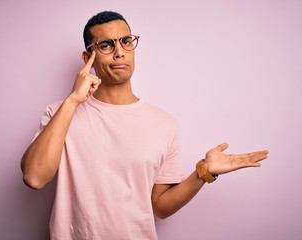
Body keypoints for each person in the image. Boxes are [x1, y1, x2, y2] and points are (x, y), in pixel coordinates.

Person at [21, 11, 269, 240]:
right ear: (88, 57)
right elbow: (34, 177)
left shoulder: (163, 124)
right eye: (106, 45)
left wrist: (203, 173)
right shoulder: (60, 112)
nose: (119, 52)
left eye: (126, 41)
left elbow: (161, 206)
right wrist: (74, 99)